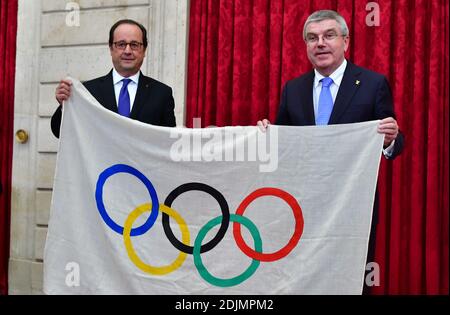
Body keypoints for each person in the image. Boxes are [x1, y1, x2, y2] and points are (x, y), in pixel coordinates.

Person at [257, 10, 404, 293]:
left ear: (346, 42)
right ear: (306, 46)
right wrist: (266, 134)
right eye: (312, 38)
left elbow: (395, 142)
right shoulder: (293, 89)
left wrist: (390, 140)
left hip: (351, 208)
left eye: (329, 36)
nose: (320, 43)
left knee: (351, 282)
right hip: (302, 207)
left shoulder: (372, 84)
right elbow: (284, 146)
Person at [51, 19, 176, 138]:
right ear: (111, 48)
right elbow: (60, 133)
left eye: (134, 45)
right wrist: (64, 106)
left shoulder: (161, 93)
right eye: (121, 44)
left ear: (144, 50)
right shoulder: (88, 91)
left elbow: (168, 143)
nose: (127, 51)